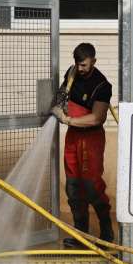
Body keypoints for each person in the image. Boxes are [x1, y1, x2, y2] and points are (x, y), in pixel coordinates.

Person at [51, 43, 115, 249]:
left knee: (91, 185)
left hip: (91, 140)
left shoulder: (102, 85)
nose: (80, 69)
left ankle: (106, 233)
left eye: (84, 65)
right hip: (73, 138)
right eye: (78, 65)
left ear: (94, 62)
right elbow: (63, 94)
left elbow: (96, 118)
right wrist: (58, 105)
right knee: (72, 186)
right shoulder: (72, 74)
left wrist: (67, 120)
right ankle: (81, 236)